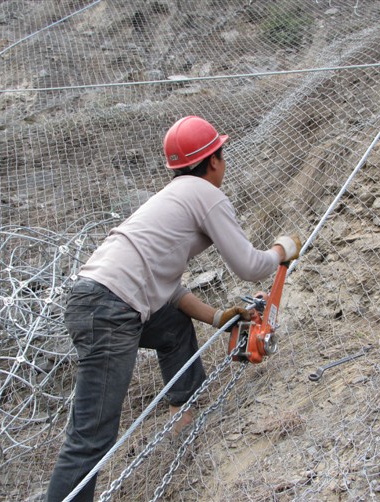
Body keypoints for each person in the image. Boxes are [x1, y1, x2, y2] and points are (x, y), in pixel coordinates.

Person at [45, 115, 301, 501]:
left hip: (96, 300)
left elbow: (167, 291)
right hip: (111, 311)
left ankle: (187, 411)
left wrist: (216, 317)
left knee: (172, 326)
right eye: (222, 155)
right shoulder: (205, 194)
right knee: (90, 437)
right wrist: (282, 250)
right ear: (214, 160)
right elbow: (249, 266)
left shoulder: (169, 198)